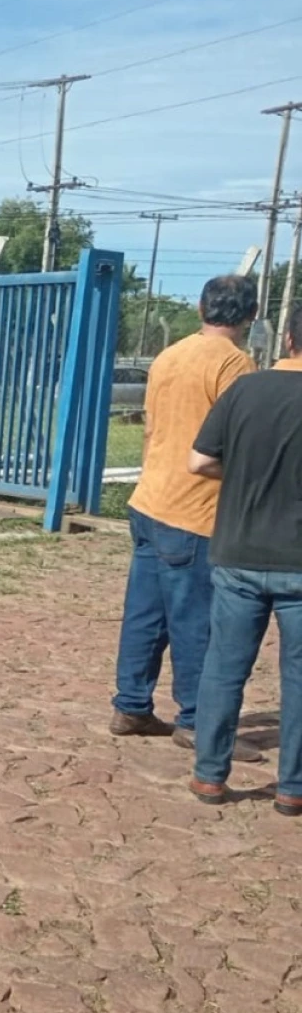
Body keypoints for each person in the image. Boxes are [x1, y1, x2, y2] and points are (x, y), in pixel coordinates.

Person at [111, 274, 262, 756]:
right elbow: (237, 438)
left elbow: (154, 424)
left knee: (145, 611)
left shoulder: (169, 355)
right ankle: (197, 718)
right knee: (196, 618)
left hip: (151, 494)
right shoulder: (235, 364)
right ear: (249, 316)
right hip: (196, 505)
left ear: (202, 309)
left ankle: (131, 703)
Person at [186, 306, 302, 814]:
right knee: (297, 677)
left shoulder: (244, 389)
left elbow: (199, 460)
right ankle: (291, 788)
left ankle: (210, 776)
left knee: (225, 668)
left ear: (288, 336)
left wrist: (241, 482)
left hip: (237, 549)